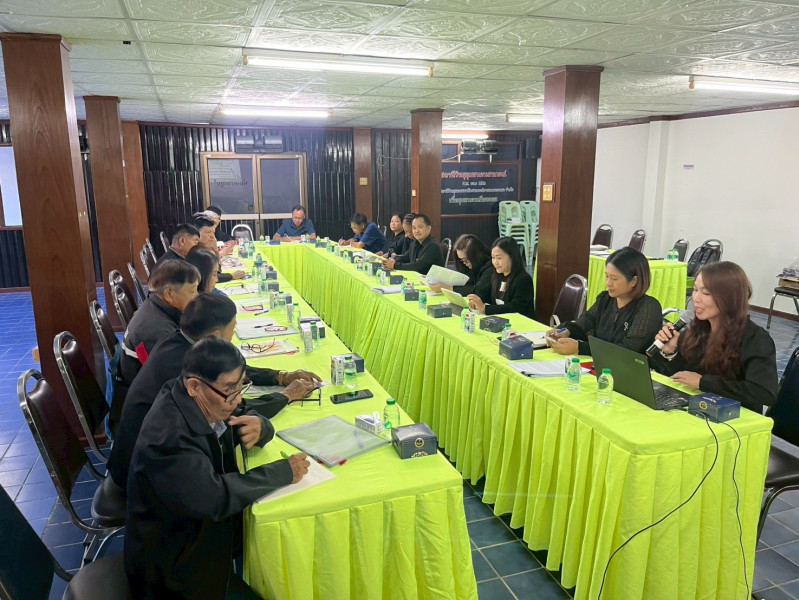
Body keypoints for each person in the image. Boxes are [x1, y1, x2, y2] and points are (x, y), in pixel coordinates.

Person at [125, 337, 309, 600]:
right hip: (173, 571)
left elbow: (243, 412)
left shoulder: (199, 396)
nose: (237, 399)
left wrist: (262, 426)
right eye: (231, 391)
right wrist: (283, 472)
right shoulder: (169, 439)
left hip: (197, 537)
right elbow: (214, 497)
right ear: (194, 386)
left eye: (241, 386)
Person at [108, 294, 320, 491]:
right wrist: (285, 396)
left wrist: (278, 379)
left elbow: (233, 400)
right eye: (233, 331)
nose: (236, 397)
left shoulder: (178, 343)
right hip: (142, 477)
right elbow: (214, 495)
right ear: (215, 337)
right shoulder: (183, 380)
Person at [650, 261, 777, 413]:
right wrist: (670, 352)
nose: (696, 298)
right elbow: (681, 375)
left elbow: (763, 392)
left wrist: (703, 382)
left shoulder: (755, 339)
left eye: (706, 293)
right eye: (695, 290)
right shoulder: (698, 329)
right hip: (695, 407)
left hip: (733, 416)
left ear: (729, 297)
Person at [547, 247, 662, 356]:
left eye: (614, 278)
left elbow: (627, 350)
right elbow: (583, 325)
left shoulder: (648, 307)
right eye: (607, 276)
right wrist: (565, 331)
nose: (608, 283)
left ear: (634, 281)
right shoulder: (605, 299)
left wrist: (580, 348)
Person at [467, 237, 535, 319]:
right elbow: (487, 297)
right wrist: (476, 302)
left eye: (499, 258)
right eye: (493, 257)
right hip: (500, 320)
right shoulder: (495, 274)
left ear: (512, 257)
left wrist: (485, 309)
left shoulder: (523, 280)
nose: (495, 262)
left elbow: (515, 308)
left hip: (521, 323)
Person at [194, 214, 245, 282]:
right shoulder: (195, 251)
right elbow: (210, 276)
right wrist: (232, 276)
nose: (212, 237)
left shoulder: (204, 248)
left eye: (213, 233)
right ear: (196, 233)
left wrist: (215, 249)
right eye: (208, 232)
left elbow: (217, 271)